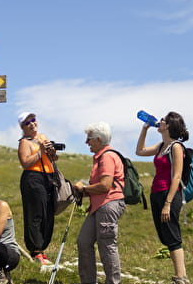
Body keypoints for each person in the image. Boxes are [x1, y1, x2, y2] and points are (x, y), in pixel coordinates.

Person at [136, 111, 191, 284]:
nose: (159, 122)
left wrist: (168, 203)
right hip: (156, 193)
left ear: (169, 126)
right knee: (164, 234)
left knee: (171, 233)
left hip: (170, 195)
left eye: (163, 120)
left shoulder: (176, 147)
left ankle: (181, 276)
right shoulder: (161, 146)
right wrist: (145, 128)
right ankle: (179, 275)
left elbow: (176, 176)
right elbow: (140, 151)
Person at [73, 121, 126, 284]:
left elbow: (105, 185)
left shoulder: (107, 156)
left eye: (89, 139)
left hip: (108, 205)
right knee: (84, 241)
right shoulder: (101, 157)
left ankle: (113, 282)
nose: (86, 142)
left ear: (98, 139)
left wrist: (84, 189)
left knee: (107, 245)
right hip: (98, 206)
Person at [17, 112, 58, 264]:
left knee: (48, 212)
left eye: (33, 120)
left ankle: (42, 248)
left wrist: (52, 151)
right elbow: (25, 163)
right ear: (23, 127)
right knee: (36, 213)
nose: (32, 124)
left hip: (48, 177)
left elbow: (54, 158)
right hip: (33, 179)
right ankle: (36, 250)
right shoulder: (24, 142)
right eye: (28, 123)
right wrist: (40, 151)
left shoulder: (43, 137)